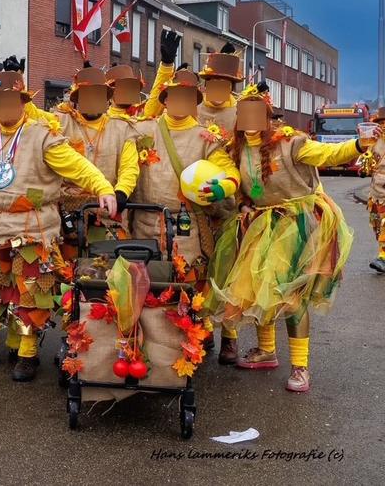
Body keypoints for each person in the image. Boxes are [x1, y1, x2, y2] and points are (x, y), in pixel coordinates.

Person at [0, 62, 117, 382]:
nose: (2, 107)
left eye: (9, 100)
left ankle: (27, 353)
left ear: (22, 103)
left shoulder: (41, 135)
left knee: (29, 291)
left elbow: (77, 166)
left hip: (31, 227)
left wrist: (103, 187)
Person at [205, 87, 367, 392]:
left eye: (257, 114)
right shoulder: (234, 149)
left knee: (292, 299)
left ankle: (300, 366)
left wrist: (359, 145)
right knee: (257, 289)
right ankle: (267, 350)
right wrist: (234, 198)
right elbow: (237, 181)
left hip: (298, 224)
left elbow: (329, 154)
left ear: (268, 118)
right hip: (261, 224)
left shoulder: (292, 143)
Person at [130, 68, 242, 363]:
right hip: (144, 225)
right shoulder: (143, 131)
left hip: (186, 229)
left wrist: (223, 187)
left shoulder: (206, 138)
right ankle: (149, 348)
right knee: (147, 288)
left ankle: (190, 344)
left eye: (187, 98)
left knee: (189, 287)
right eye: (175, 96)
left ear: (195, 103)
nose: (180, 102)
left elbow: (229, 171)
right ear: (165, 100)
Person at [54, 64, 140, 225]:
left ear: (107, 100)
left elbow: (129, 167)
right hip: (68, 212)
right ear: (77, 99)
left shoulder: (123, 128)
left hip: (108, 209)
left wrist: (122, 192)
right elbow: (29, 115)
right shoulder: (60, 122)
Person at [363, 107, 385, 274]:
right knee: (377, 224)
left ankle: (382, 257)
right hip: (376, 191)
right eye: (381, 123)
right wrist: (364, 167)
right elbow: (367, 163)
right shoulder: (373, 141)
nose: (383, 126)